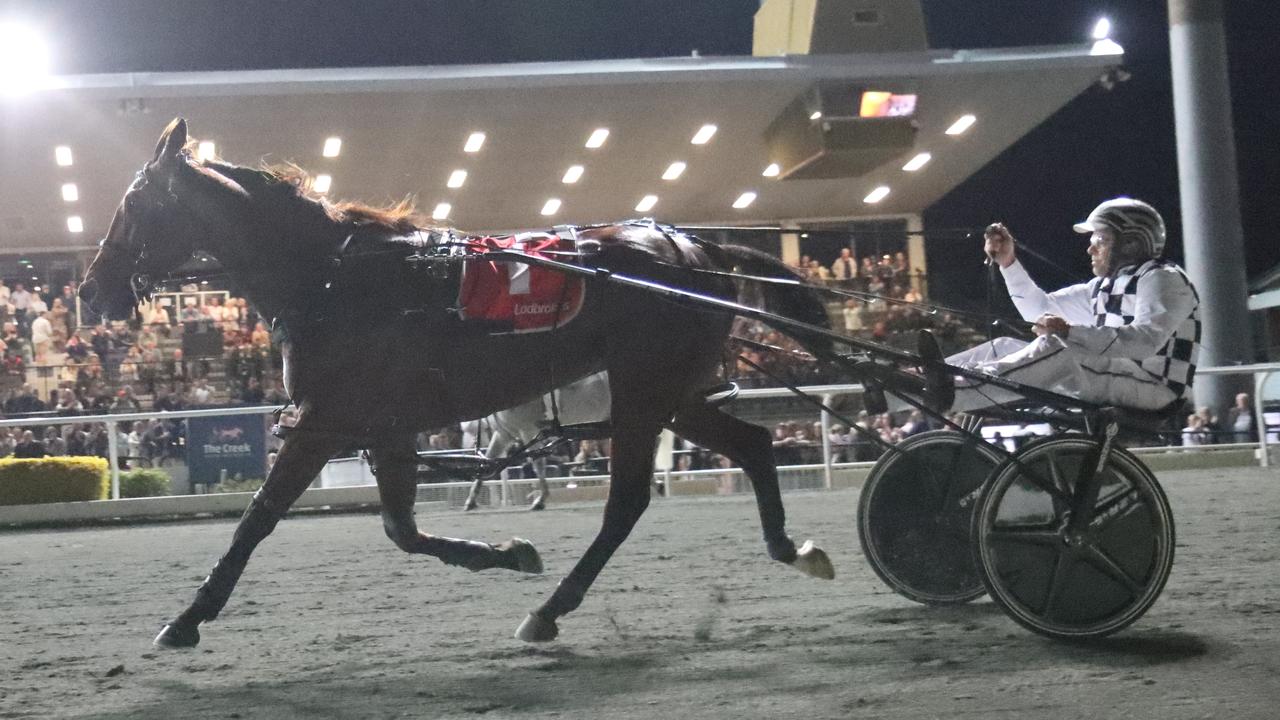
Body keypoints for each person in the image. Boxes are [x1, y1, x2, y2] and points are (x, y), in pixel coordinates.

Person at [939, 198, 1200, 413]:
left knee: (1062, 349)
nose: (1090, 249)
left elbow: (1145, 341)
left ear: (1130, 243)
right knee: (1003, 346)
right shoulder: (1101, 287)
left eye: (1100, 240)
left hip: (1156, 387)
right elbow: (1040, 309)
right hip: (1117, 376)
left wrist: (1069, 332)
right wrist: (1008, 262)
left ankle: (955, 389)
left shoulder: (1163, 278)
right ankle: (920, 379)